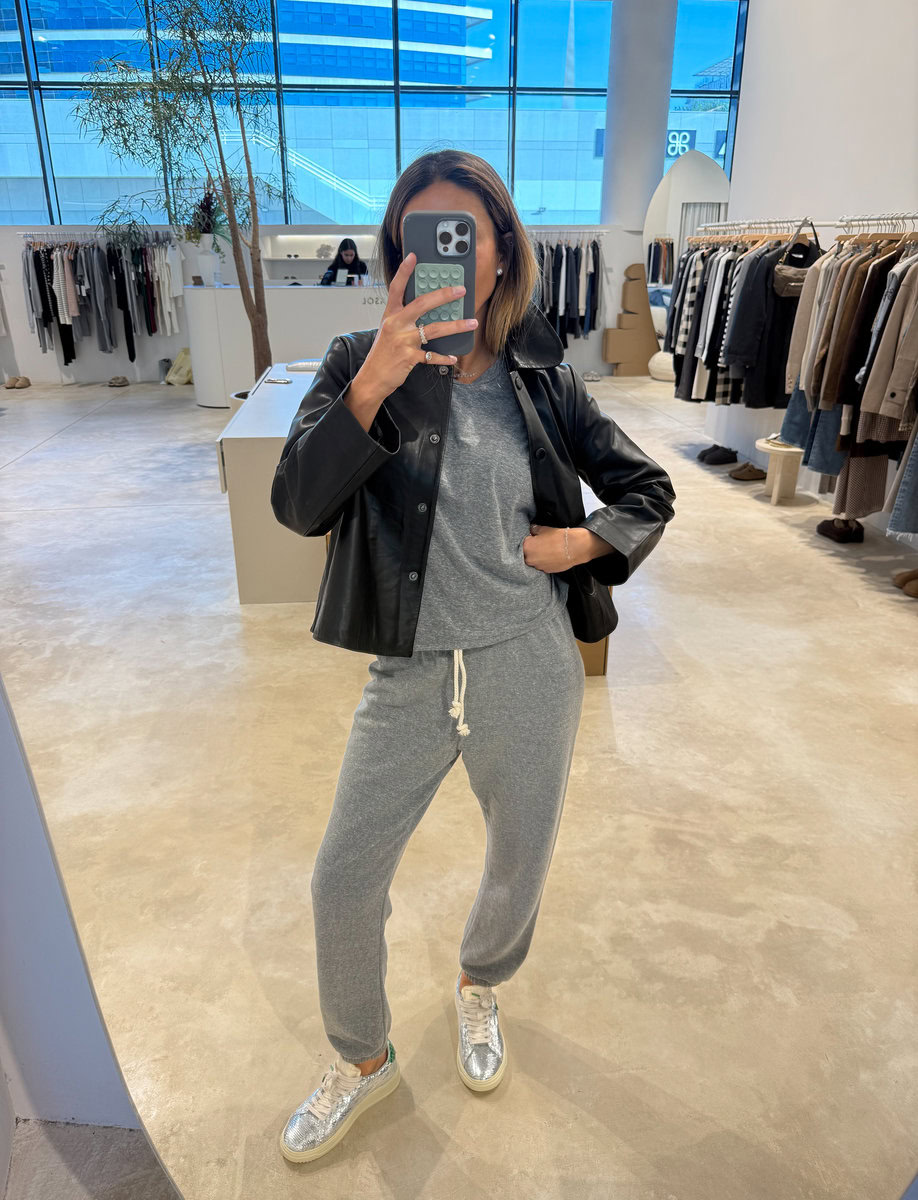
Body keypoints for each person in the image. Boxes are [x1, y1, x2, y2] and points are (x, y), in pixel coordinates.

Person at [271, 150, 675, 1164]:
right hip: (408, 672)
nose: (442, 254)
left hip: (527, 661)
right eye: (420, 235)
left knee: (517, 857)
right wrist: (376, 380)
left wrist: (581, 543)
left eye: (463, 234)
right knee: (341, 881)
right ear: (399, 253)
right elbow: (297, 505)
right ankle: (363, 1058)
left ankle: (480, 983)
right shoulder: (354, 361)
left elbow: (647, 492)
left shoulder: (542, 375)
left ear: (499, 254)